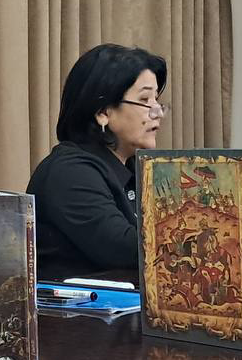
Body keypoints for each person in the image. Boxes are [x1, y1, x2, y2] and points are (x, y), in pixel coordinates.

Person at [27, 43, 168, 280]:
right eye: (145, 99)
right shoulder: (70, 172)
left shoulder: (134, 169)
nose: (158, 112)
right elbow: (125, 249)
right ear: (103, 112)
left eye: (157, 100)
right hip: (79, 304)